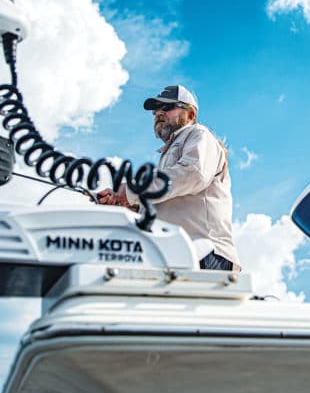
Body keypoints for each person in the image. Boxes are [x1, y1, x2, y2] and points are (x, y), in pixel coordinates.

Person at [96, 85, 240, 271]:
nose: (159, 113)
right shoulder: (170, 153)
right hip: (178, 254)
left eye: (167, 107)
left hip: (205, 253)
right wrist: (127, 202)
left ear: (190, 115)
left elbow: (193, 174)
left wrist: (131, 191)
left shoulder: (198, 134)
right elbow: (168, 197)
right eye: (156, 110)